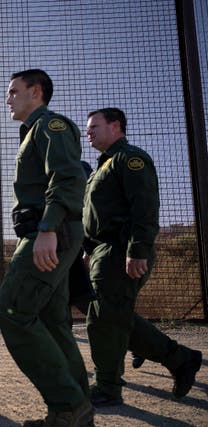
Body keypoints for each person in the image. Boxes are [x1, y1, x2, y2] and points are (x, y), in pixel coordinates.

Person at [83, 108, 202, 406]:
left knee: (104, 320)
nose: (89, 132)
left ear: (116, 126)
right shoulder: (101, 167)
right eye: (88, 128)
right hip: (103, 251)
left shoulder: (130, 158)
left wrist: (137, 250)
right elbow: (93, 216)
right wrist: (89, 250)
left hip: (121, 250)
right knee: (111, 316)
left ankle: (108, 387)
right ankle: (181, 359)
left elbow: (145, 208)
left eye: (94, 126)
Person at [0, 69, 94, 427]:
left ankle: (68, 405)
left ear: (35, 92)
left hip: (51, 232)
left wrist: (48, 228)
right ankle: (75, 410)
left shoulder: (51, 126)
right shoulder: (33, 132)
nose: (7, 99)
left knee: (13, 310)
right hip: (48, 231)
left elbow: (68, 177)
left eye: (13, 91)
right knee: (53, 322)